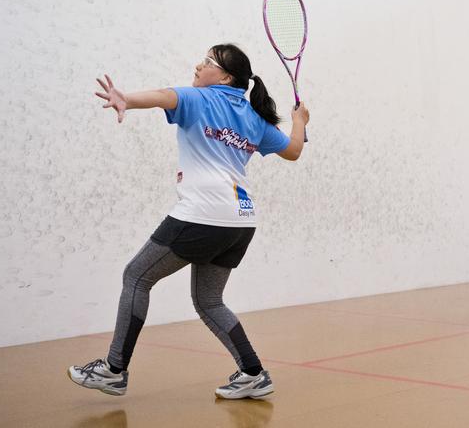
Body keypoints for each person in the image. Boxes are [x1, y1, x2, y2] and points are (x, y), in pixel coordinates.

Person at [68, 43, 310, 398]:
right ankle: (254, 373)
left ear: (225, 77)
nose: (198, 66)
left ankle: (114, 370)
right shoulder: (254, 117)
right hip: (240, 222)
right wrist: (299, 122)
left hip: (203, 215)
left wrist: (127, 99)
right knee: (209, 300)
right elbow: (293, 151)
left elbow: (165, 96)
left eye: (208, 62)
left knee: (136, 277)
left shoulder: (201, 98)